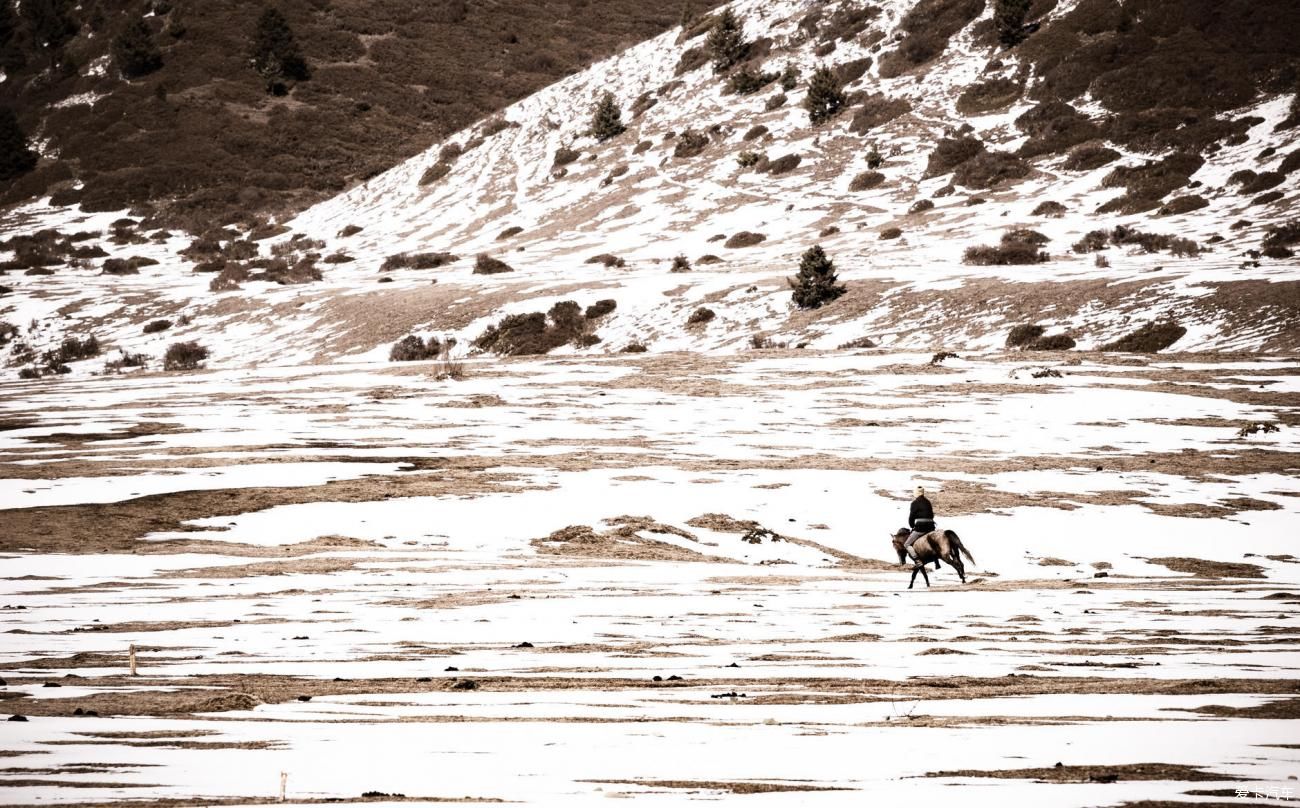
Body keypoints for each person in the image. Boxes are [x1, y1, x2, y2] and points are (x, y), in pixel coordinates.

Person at [904, 485, 935, 560]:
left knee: (906, 544)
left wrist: (912, 526)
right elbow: (931, 515)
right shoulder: (928, 502)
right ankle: (936, 561)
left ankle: (917, 560)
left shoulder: (914, 503)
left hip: (921, 527)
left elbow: (911, 517)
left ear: (916, 494)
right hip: (931, 527)